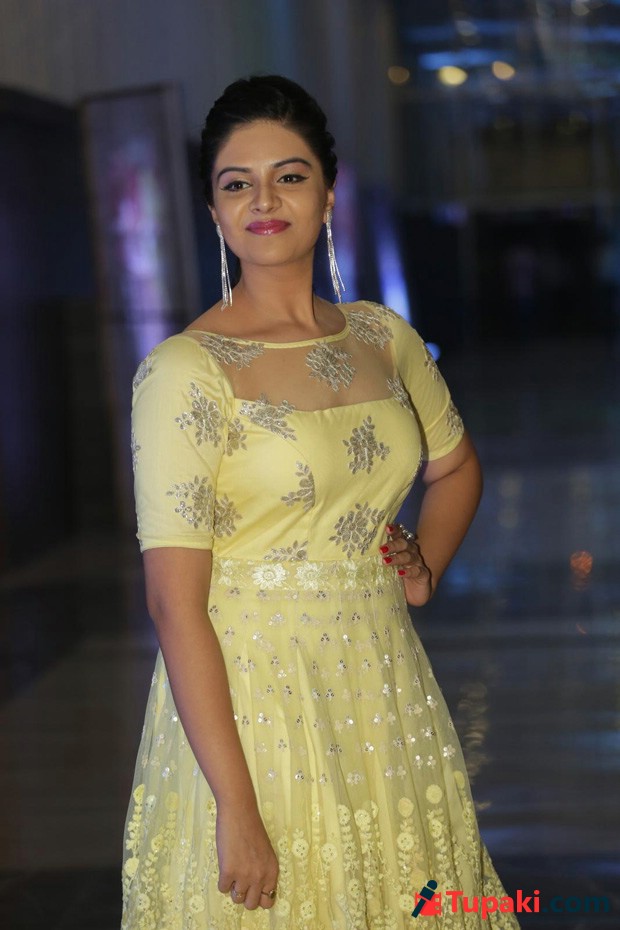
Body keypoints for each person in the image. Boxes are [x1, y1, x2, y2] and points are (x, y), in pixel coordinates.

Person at [122, 75, 519, 929]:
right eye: (238, 183)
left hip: (384, 684)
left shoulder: (382, 336)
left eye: (290, 176)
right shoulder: (185, 371)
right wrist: (234, 805)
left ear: (329, 193)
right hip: (252, 702)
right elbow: (172, 602)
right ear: (214, 209)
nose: (264, 200)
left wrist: (423, 565)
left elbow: (456, 467)